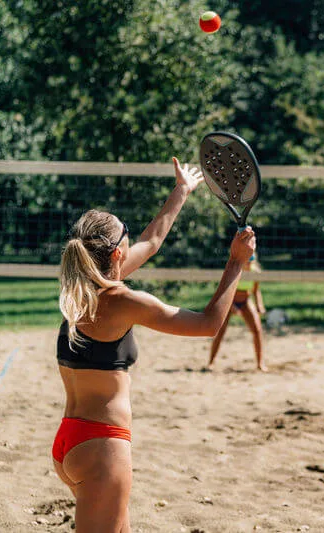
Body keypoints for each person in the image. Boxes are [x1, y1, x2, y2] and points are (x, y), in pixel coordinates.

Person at [53, 157, 257, 532]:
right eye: (124, 233)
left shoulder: (79, 286)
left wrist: (182, 190)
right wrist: (236, 263)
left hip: (71, 440)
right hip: (103, 448)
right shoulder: (128, 301)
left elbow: (152, 240)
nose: (133, 240)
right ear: (116, 254)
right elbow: (210, 324)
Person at [207, 257, 267, 371]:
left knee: (257, 330)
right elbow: (226, 291)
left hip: (245, 300)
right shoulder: (235, 271)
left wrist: (260, 305)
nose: (249, 264)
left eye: (251, 261)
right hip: (230, 299)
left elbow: (255, 291)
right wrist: (231, 305)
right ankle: (211, 362)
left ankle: (260, 363)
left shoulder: (255, 272)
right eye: (247, 261)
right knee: (220, 331)